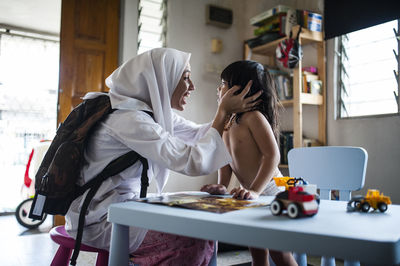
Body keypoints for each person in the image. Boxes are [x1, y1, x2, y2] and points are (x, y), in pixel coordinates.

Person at [64, 48, 261, 266]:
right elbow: (190, 160)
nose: (192, 86)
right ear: (163, 79)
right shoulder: (129, 120)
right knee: (193, 240)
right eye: (186, 78)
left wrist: (234, 113)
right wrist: (223, 112)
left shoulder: (147, 114)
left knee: (200, 227)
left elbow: (200, 133)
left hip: (123, 208)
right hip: (100, 219)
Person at [201, 60, 298, 266]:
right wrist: (222, 186)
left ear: (241, 90)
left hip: (270, 192)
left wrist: (255, 190)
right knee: (256, 252)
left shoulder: (253, 117)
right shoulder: (226, 121)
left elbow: (273, 157)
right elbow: (225, 160)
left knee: (279, 253)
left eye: (223, 83)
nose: (218, 88)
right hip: (250, 195)